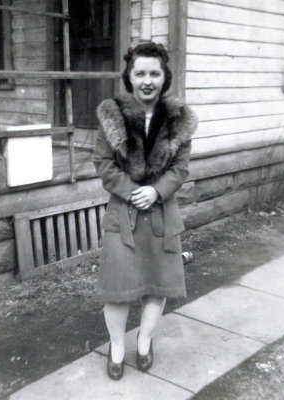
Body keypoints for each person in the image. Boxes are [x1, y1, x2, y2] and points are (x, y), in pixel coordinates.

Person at [93, 42, 198, 380]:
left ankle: (144, 340)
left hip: (162, 215)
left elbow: (179, 169)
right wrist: (132, 191)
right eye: (140, 73)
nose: (147, 80)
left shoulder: (179, 120)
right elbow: (104, 164)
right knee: (118, 286)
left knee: (158, 284)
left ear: (165, 77)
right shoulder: (112, 115)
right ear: (130, 76)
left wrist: (156, 190)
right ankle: (117, 346)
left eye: (155, 72)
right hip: (123, 214)